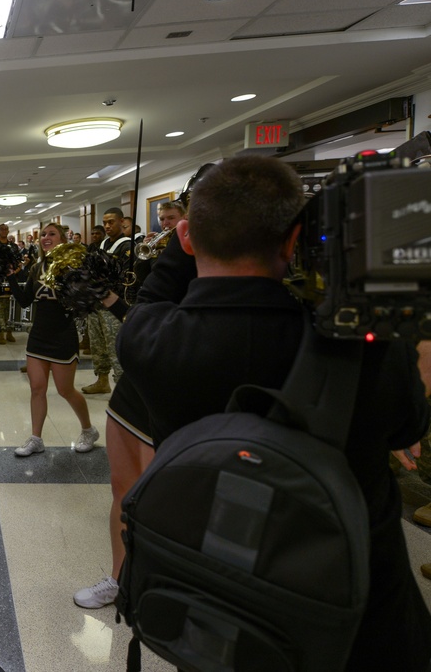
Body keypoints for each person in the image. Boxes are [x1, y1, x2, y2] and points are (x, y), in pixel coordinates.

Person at [119, 155, 431, 671]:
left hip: (220, 598)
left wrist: (187, 234)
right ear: (294, 241)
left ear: (187, 238)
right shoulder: (364, 347)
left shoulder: (148, 338)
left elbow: (155, 291)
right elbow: (410, 426)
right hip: (355, 608)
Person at [7, 222, 98, 457]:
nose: (46, 237)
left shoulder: (73, 267)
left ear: (63, 240)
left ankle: (88, 430)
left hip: (63, 334)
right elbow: (25, 301)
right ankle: (36, 439)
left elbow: (83, 302)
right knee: (37, 388)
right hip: (39, 335)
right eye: (43, 234)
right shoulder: (37, 268)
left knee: (65, 390)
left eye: (52, 234)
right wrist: (11, 279)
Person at [81, 207, 131, 394]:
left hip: (114, 305)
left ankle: (123, 389)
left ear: (121, 222)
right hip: (96, 303)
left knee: (114, 346)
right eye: (105, 223)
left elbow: (124, 277)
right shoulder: (101, 245)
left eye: (111, 222)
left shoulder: (127, 246)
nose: (107, 226)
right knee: (97, 344)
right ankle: (102, 380)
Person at [0, 223, 17, 344]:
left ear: (8, 231)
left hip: (11, 280)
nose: (4, 231)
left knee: (11, 308)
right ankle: (1, 332)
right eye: (2, 229)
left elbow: (18, 262)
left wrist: (13, 272)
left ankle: (9, 332)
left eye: (6, 229)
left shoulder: (13, 247)